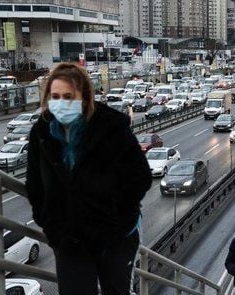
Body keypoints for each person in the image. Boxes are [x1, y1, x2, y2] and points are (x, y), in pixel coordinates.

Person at [26, 63, 152, 295]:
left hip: (115, 238)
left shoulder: (111, 127)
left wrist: (115, 219)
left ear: (84, 98)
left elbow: (140, 177)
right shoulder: (41, 134)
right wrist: (52, 227)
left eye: (68, 96)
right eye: (55, 96)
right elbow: (35, 187)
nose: (61, 102)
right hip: (69, 240)